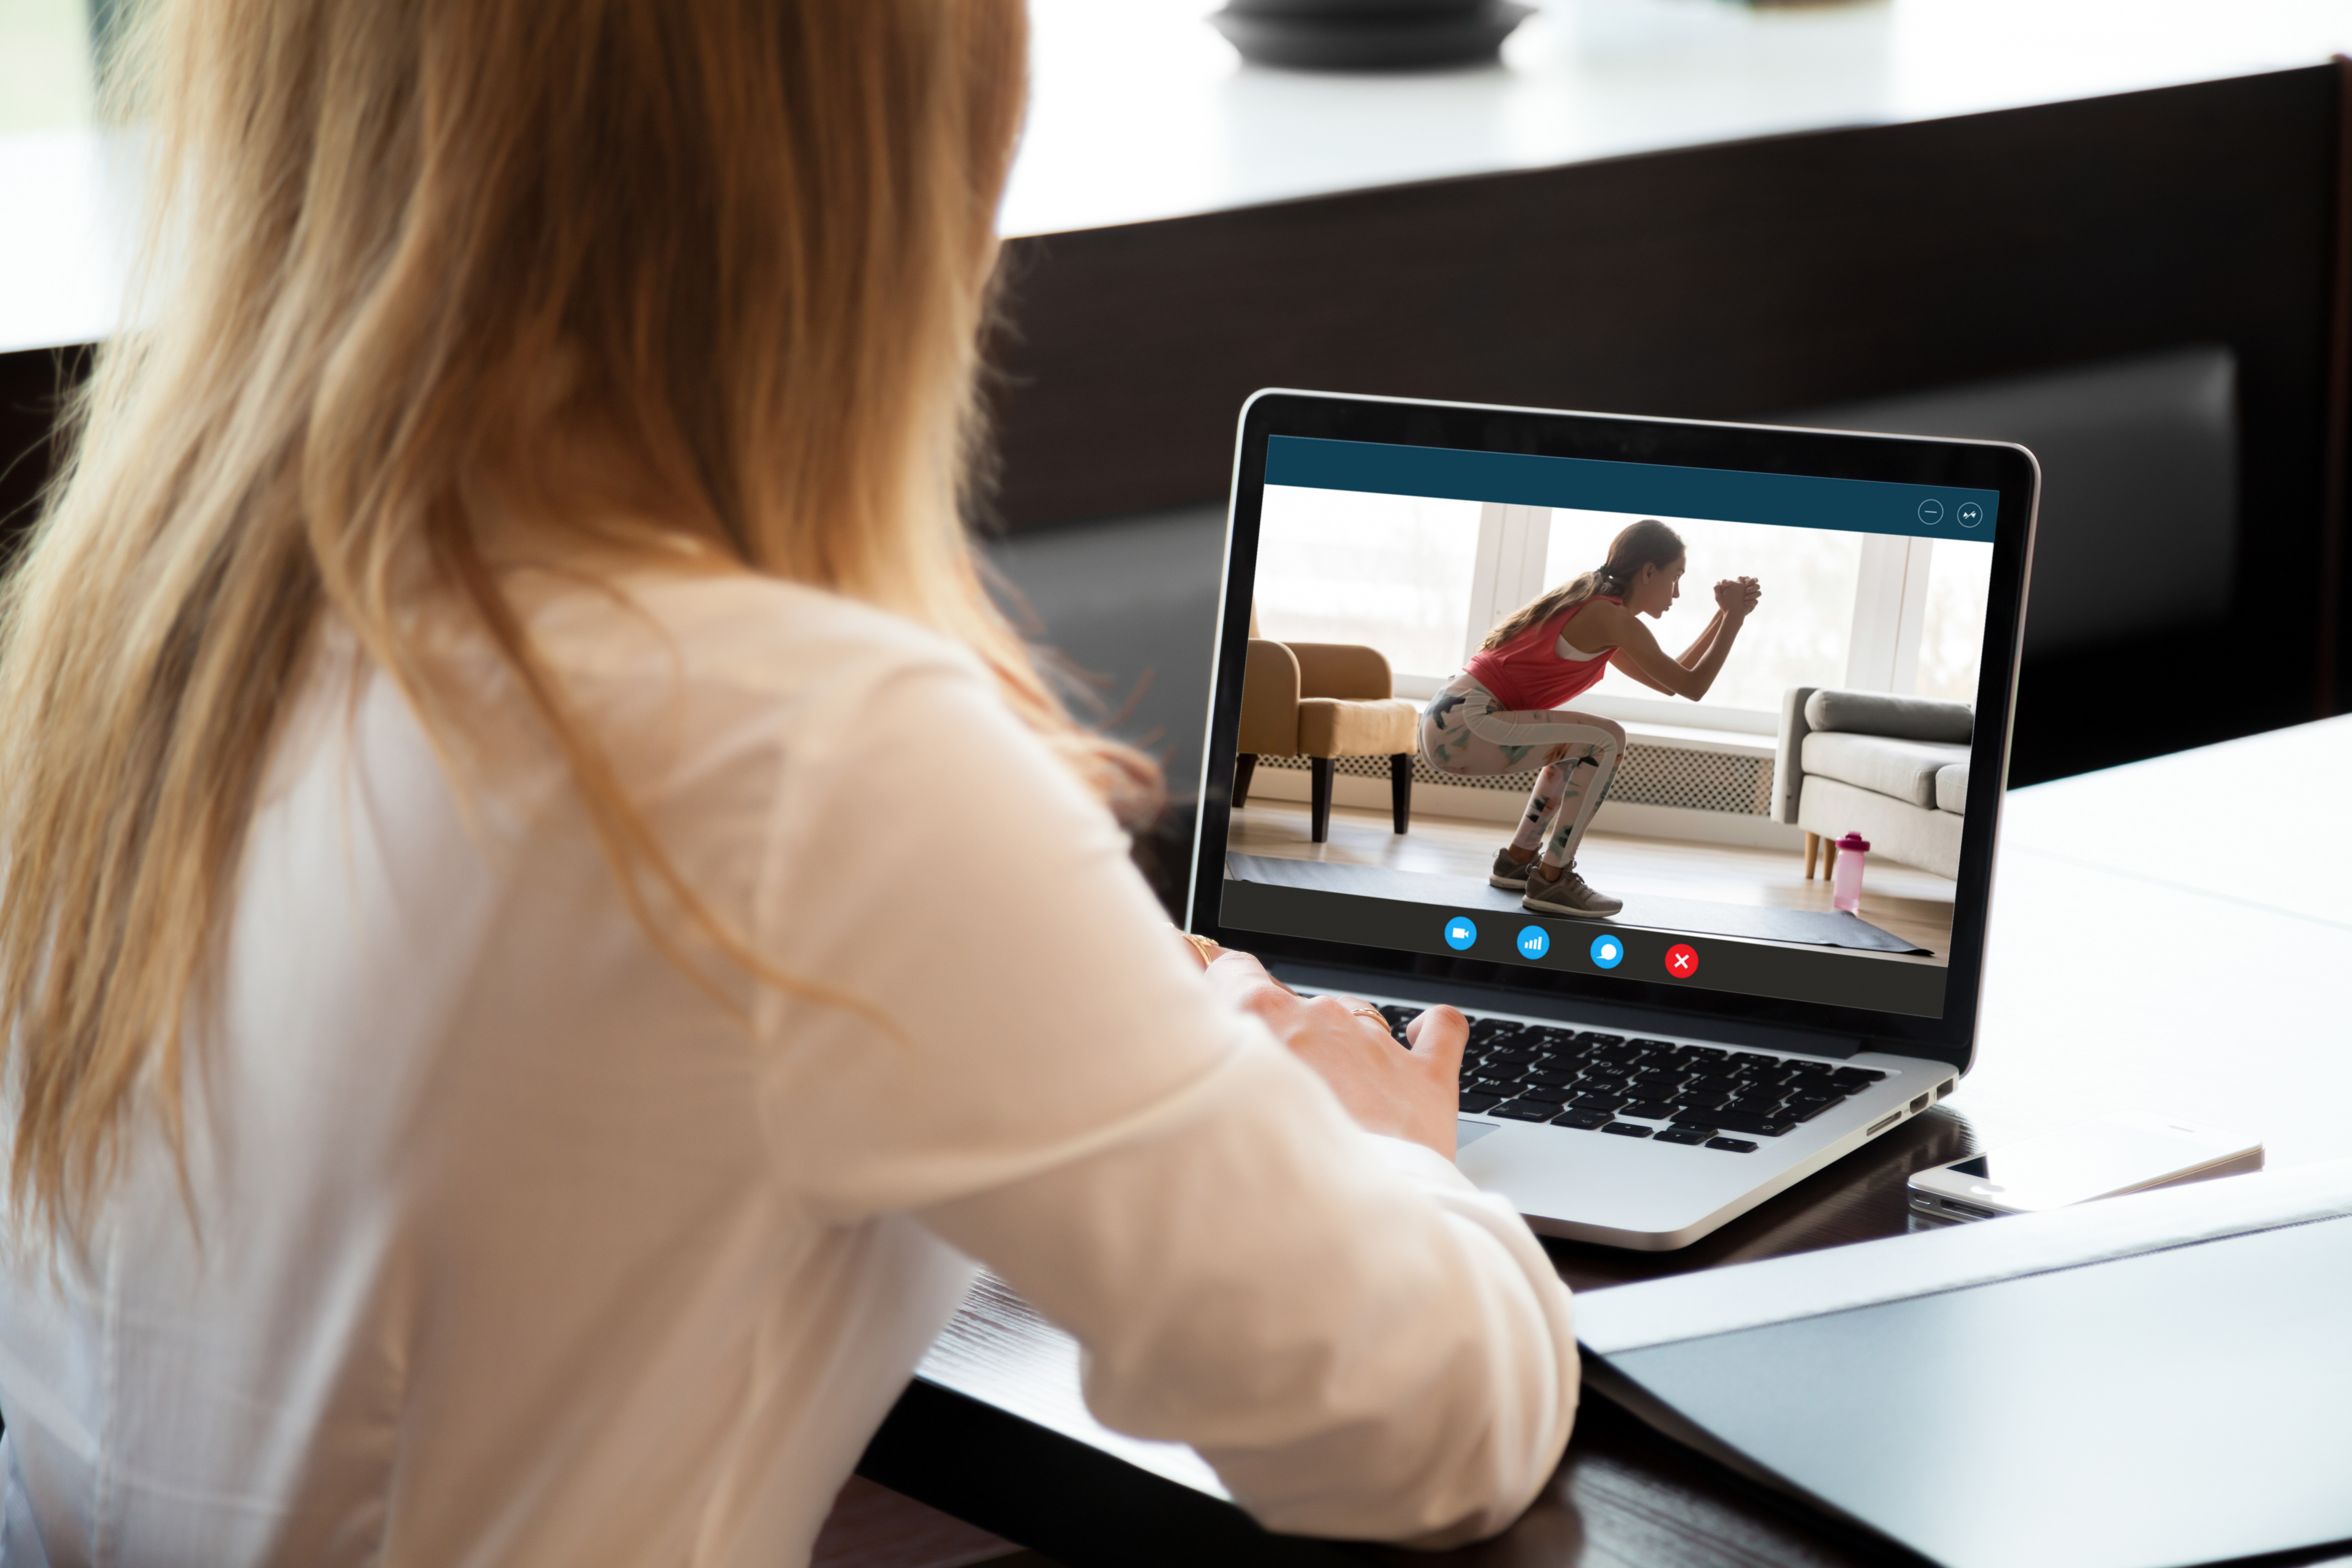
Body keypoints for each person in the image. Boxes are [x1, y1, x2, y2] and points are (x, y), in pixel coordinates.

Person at [0, 1, 1578, 1562]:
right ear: (876, 161)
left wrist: (1088, 1054)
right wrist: (1370, 1155)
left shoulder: (128, 647)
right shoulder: (797, 752)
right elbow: (1414, 1426)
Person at [1421, 519, 1761, 918]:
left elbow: (1673, 682)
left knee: (1583, 742)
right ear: (1649, 571)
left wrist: (1723, 616)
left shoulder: (1600, 611)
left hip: (1451, 718)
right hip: (1464, 722)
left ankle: (1518, 860)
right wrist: (1736, 619)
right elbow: (1694, 686)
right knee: (1607, 739)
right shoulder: (1610, 618)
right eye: (1675, 578)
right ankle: (1553, 879)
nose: (1677, 593)